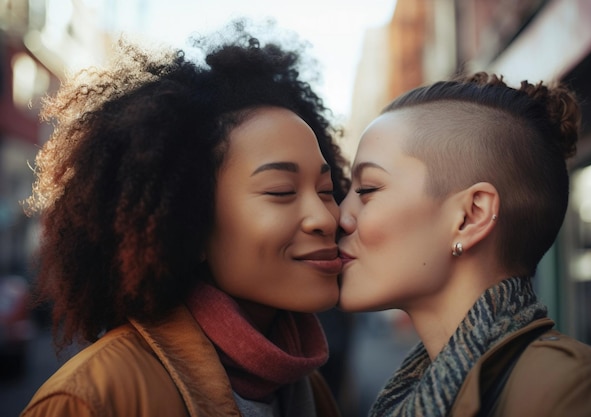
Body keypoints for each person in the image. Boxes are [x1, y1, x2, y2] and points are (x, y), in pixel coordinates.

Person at [20, 21, 349, 417]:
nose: (324, 218)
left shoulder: (308, 388)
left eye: (327, 191)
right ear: (189, 224)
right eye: (281, 191)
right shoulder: (90, 401)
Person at [337, 72, 591, 417]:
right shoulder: (411, 388)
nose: (339, 217)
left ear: (470, 216)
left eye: (367, 190)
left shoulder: (571, 390)